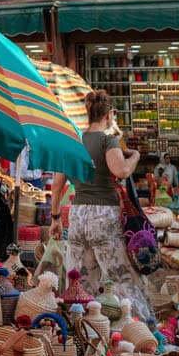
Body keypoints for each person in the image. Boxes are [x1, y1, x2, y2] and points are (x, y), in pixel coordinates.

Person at [50, 89, 151, 320]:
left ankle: (80, 325)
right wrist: (134, 156)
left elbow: (57, 185)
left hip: (77, 215)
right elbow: (121, 170)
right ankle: (142, 328)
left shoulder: (73, 142)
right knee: (122, 276)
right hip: (104, 214)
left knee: (79, 278)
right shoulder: (108, 140)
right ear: (109, 115)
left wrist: (55, 219)